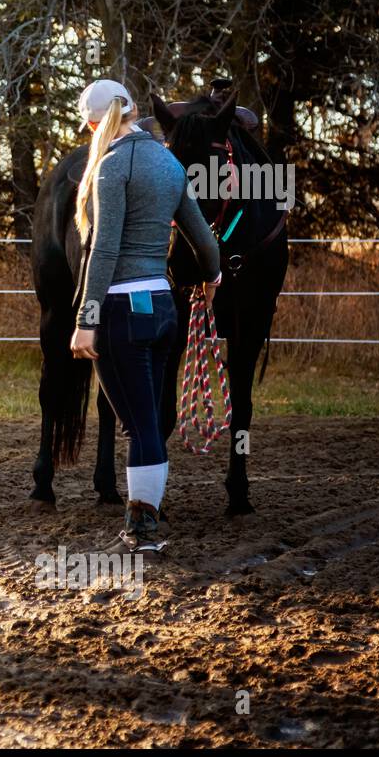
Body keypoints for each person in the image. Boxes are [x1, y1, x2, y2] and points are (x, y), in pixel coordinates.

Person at [69, 80, 221, 551]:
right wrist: (213, 278)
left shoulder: (112, 167)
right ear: (134, 111)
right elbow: (202, 236)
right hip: (162, 309)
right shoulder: (170, 162)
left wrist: (85, 318)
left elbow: (104, 248)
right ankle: (144, 523)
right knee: (149, 424)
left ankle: (142, 533)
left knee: (139, 427)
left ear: (95, 123)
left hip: (121, 311)